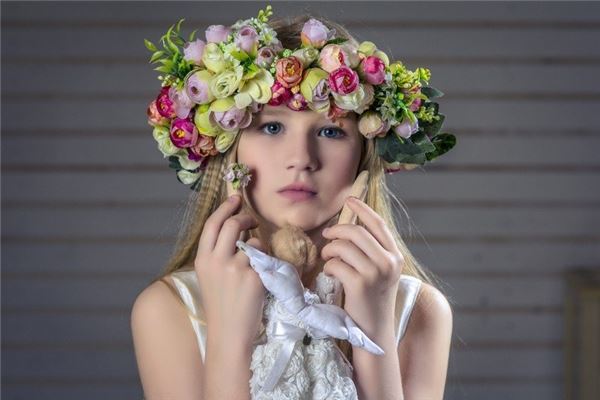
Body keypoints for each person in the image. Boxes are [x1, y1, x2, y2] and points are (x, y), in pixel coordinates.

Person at [132, 6, 455, 400]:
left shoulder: (418, 309)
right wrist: (230, 340)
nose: (301, 158)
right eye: (272, 126)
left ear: (364, 155)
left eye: (331, 132)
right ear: (229, 147)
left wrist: (374, 336)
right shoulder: (170, 308)